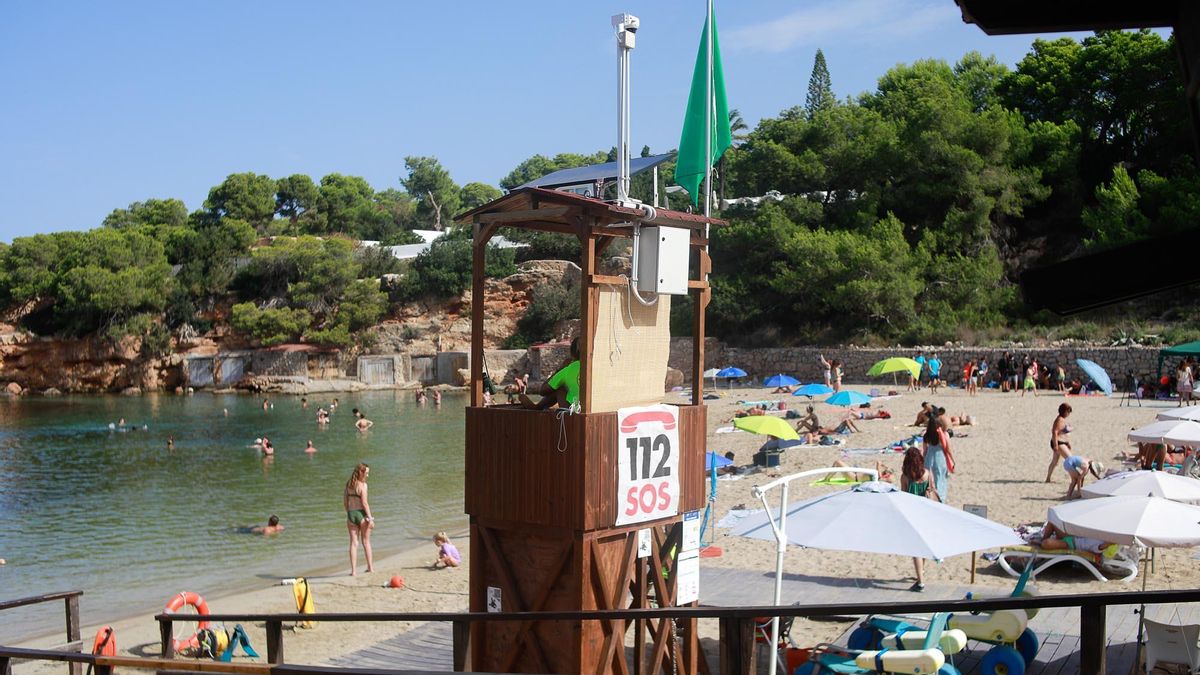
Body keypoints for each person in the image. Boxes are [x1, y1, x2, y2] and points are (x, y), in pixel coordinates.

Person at [900, 446, 939, 592]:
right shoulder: (927, 474)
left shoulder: (905, 477)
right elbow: (933, 489)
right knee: (923, 545)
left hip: (912, 514)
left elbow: (903, 496)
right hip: (926, 513)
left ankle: (920, 582)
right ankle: (920, 572)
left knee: (916, 548)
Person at [521, 338, 581, 410]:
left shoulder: (568, 369)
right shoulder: (596, 366)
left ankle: (536, 407)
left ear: (572, 353)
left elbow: (543, 391)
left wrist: (560, 369)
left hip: (575, 412)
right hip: (595, 410)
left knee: (560, 388)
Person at [344, 463, 374, 576]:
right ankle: (370, 568)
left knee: (353, 543)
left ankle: (354, 571)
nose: (367, 475)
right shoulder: (363, 485)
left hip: (351, 514)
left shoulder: (348, 485)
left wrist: (349, 513)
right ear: (360, 472)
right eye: (366, 473)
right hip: (361, 514)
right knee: (366, 542)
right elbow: (365, 503)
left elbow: (345, 502)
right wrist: (370, 518)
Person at [1038, 522, 1114, 554]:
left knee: (1046, 543)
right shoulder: (1100, 531)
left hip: (1071, 545)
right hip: (1071, 536)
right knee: (1052, 522)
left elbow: (1101, 548)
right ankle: (1042, 540)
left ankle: (1041, 543)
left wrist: (1111, 542)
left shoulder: (1101, 545)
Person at [921, 421, 950, 503]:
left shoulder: (926, 436)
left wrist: (923, 460)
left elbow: (925, 450)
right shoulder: (941, 435)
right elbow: (947, 448)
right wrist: (951, 459)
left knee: (930, 481)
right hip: (940, 458)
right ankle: (941, 498)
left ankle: (931, 497)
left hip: (929, 458)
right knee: (940, 478)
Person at [1046, 403, 1073, 483]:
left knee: (1055, 462)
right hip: (1058, 442)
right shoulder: (1059, 420)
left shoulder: (1062, 419)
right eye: (1068, 412)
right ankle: (1073, 478)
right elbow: (1054, 432)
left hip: (1062, 442)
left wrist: (1067, 443)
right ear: (1064, 411)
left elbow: (1062, 433)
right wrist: (1055, 445)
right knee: (1070, 459)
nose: (1069, 414)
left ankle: (1048, 479)